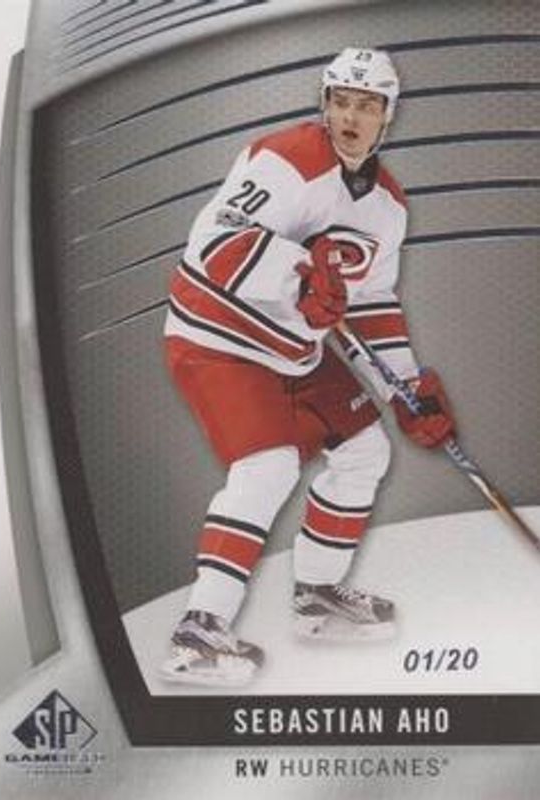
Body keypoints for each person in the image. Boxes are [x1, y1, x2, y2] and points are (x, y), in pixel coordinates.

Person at [161, 46, 456, 686]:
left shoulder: (389, 207)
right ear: (325, 105)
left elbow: (370, 304)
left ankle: (316, 597)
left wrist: (406, 390)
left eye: (367, 106)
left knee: (367, 453)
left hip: (295, 346)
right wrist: (295, 276)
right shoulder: (286, 160)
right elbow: (213, 244)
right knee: (268, 466)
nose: (351, 117)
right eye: (341, 102)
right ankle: (198, 631)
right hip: (218, 336)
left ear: (388, 115)